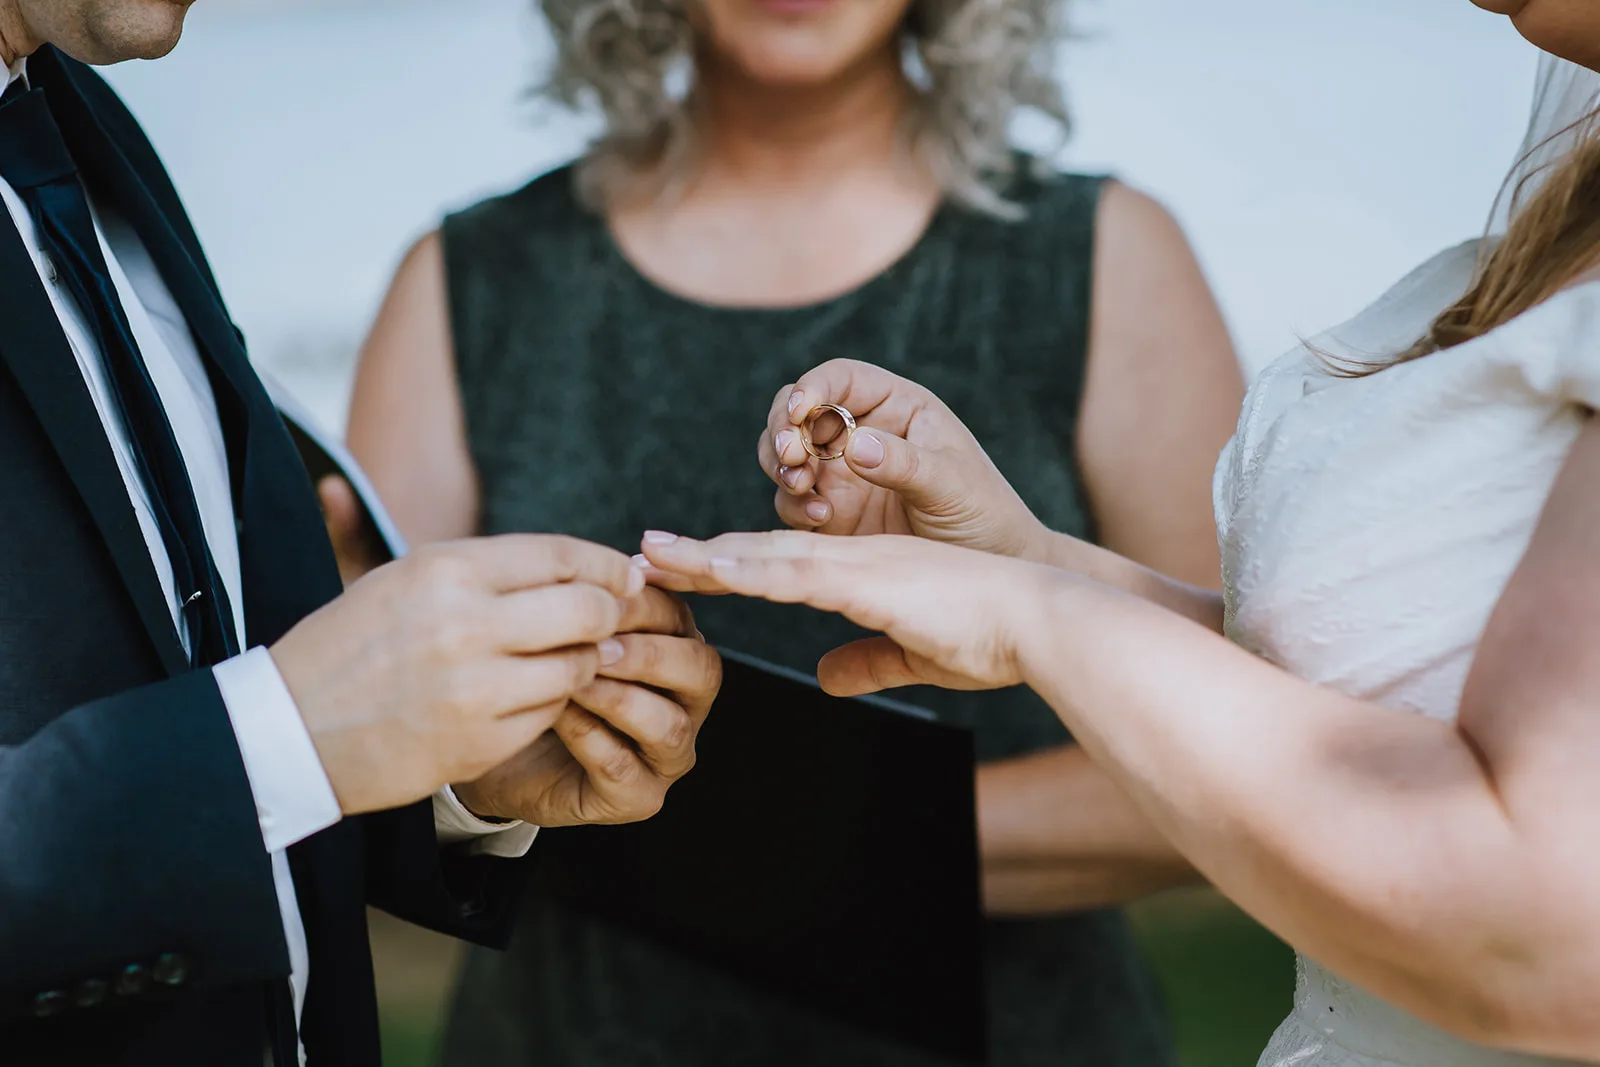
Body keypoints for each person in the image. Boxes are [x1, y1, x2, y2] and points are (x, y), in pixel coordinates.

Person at [640, 6, 1600, 1066]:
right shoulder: (1542, 248)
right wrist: (1033, 560)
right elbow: (1370, 696)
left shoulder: (1098, 242)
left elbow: (1553, 945)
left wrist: (1034, 619)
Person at [347, 0, 1242, 1061]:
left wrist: (797, 846)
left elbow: (1235, 737)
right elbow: (374, 754)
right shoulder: (467, 280)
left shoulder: (1104, 257)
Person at [0, 2, 721, 1065]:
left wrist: (452, 764)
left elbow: (182, 670)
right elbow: (259, 732)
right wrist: (290, 734)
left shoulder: (86, 123)